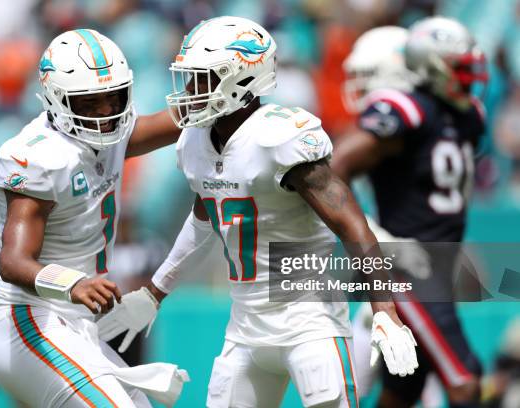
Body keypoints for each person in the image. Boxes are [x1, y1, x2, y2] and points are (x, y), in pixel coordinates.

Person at [99, 16, 418, 408]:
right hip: (246, 326)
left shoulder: (279, 137)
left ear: (241, 79)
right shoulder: (196, 141)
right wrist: (154, 292)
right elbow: (207, 219)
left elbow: (350, 221)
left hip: (309, 321)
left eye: (203, 78)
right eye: (190, 78)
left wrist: (385, 308)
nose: (191, 91)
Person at [0, 29, 188, 408]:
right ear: (57, 100)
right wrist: (72, 283)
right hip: (30, 322)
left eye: (114, 98)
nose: (106, 113)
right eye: (90, 102)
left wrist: (222, 88)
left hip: (79, 328)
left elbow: (176, 121)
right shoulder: (39, 157)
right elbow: (12, 262)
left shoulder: (113, 130)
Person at [331, 17, 487, 408]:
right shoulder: (407, 111)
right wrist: (376, 240)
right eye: (460, 68)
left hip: (436, 263)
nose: (470, 78)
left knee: (404, 388)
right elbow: (332, 169)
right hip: (405, 268)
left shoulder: (468, 116)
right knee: (465, 379)